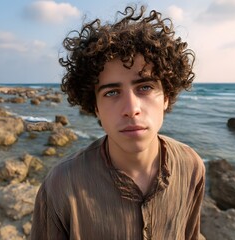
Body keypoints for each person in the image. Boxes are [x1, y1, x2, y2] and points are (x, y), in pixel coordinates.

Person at [31, 5, 205, 240]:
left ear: (166, 96)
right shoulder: (61, 185)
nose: (131, 109)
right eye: (112, 93)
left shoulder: (191, 166)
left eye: (145, 87)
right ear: (95, 107)